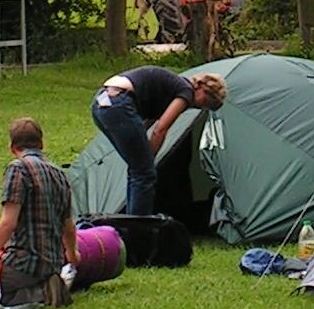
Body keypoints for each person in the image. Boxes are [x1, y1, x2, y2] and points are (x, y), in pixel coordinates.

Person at [88, 66, 227, 217]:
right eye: (206, 102)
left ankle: (129, 223)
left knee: (138, 169)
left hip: (102, 102)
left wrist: (145, 159)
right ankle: (138, 229)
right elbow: (160, 129)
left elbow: (145, 124)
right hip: (119, 103)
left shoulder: (172, 87)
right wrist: (149, 161)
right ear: (201, 88)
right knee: (144, 172)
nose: (200, 107)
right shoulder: (186, 92)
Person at [0, 117, 78, 307]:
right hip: (52, 264)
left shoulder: (18, 169)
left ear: (12, 147)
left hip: (24, 264)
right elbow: (68, 226)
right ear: (41, 144)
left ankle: (33, 294)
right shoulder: (60, 174)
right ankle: (48, 285)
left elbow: (7, 224)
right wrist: (73, 256)